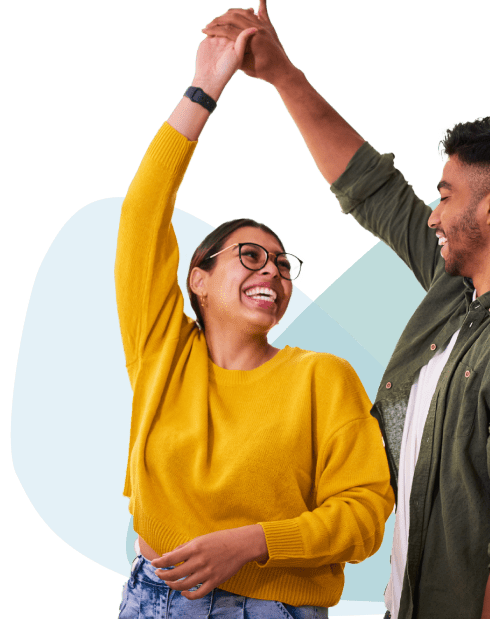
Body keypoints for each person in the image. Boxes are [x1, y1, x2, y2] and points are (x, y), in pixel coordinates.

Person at [201, 3, 490, 619]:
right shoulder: (463, 290)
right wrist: (284, 75)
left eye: (446, 195)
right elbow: (374, 192)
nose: (433, 214)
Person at [114, 23, 394, 619]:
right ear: (199, 279)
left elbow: (366, 513)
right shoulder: (161, 351)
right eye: (250, 256)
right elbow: (142, 215)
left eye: (282, 264)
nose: (272, 271)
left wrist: (253, 543)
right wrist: (204, 86)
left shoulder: (322, 379)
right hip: (153, 598)